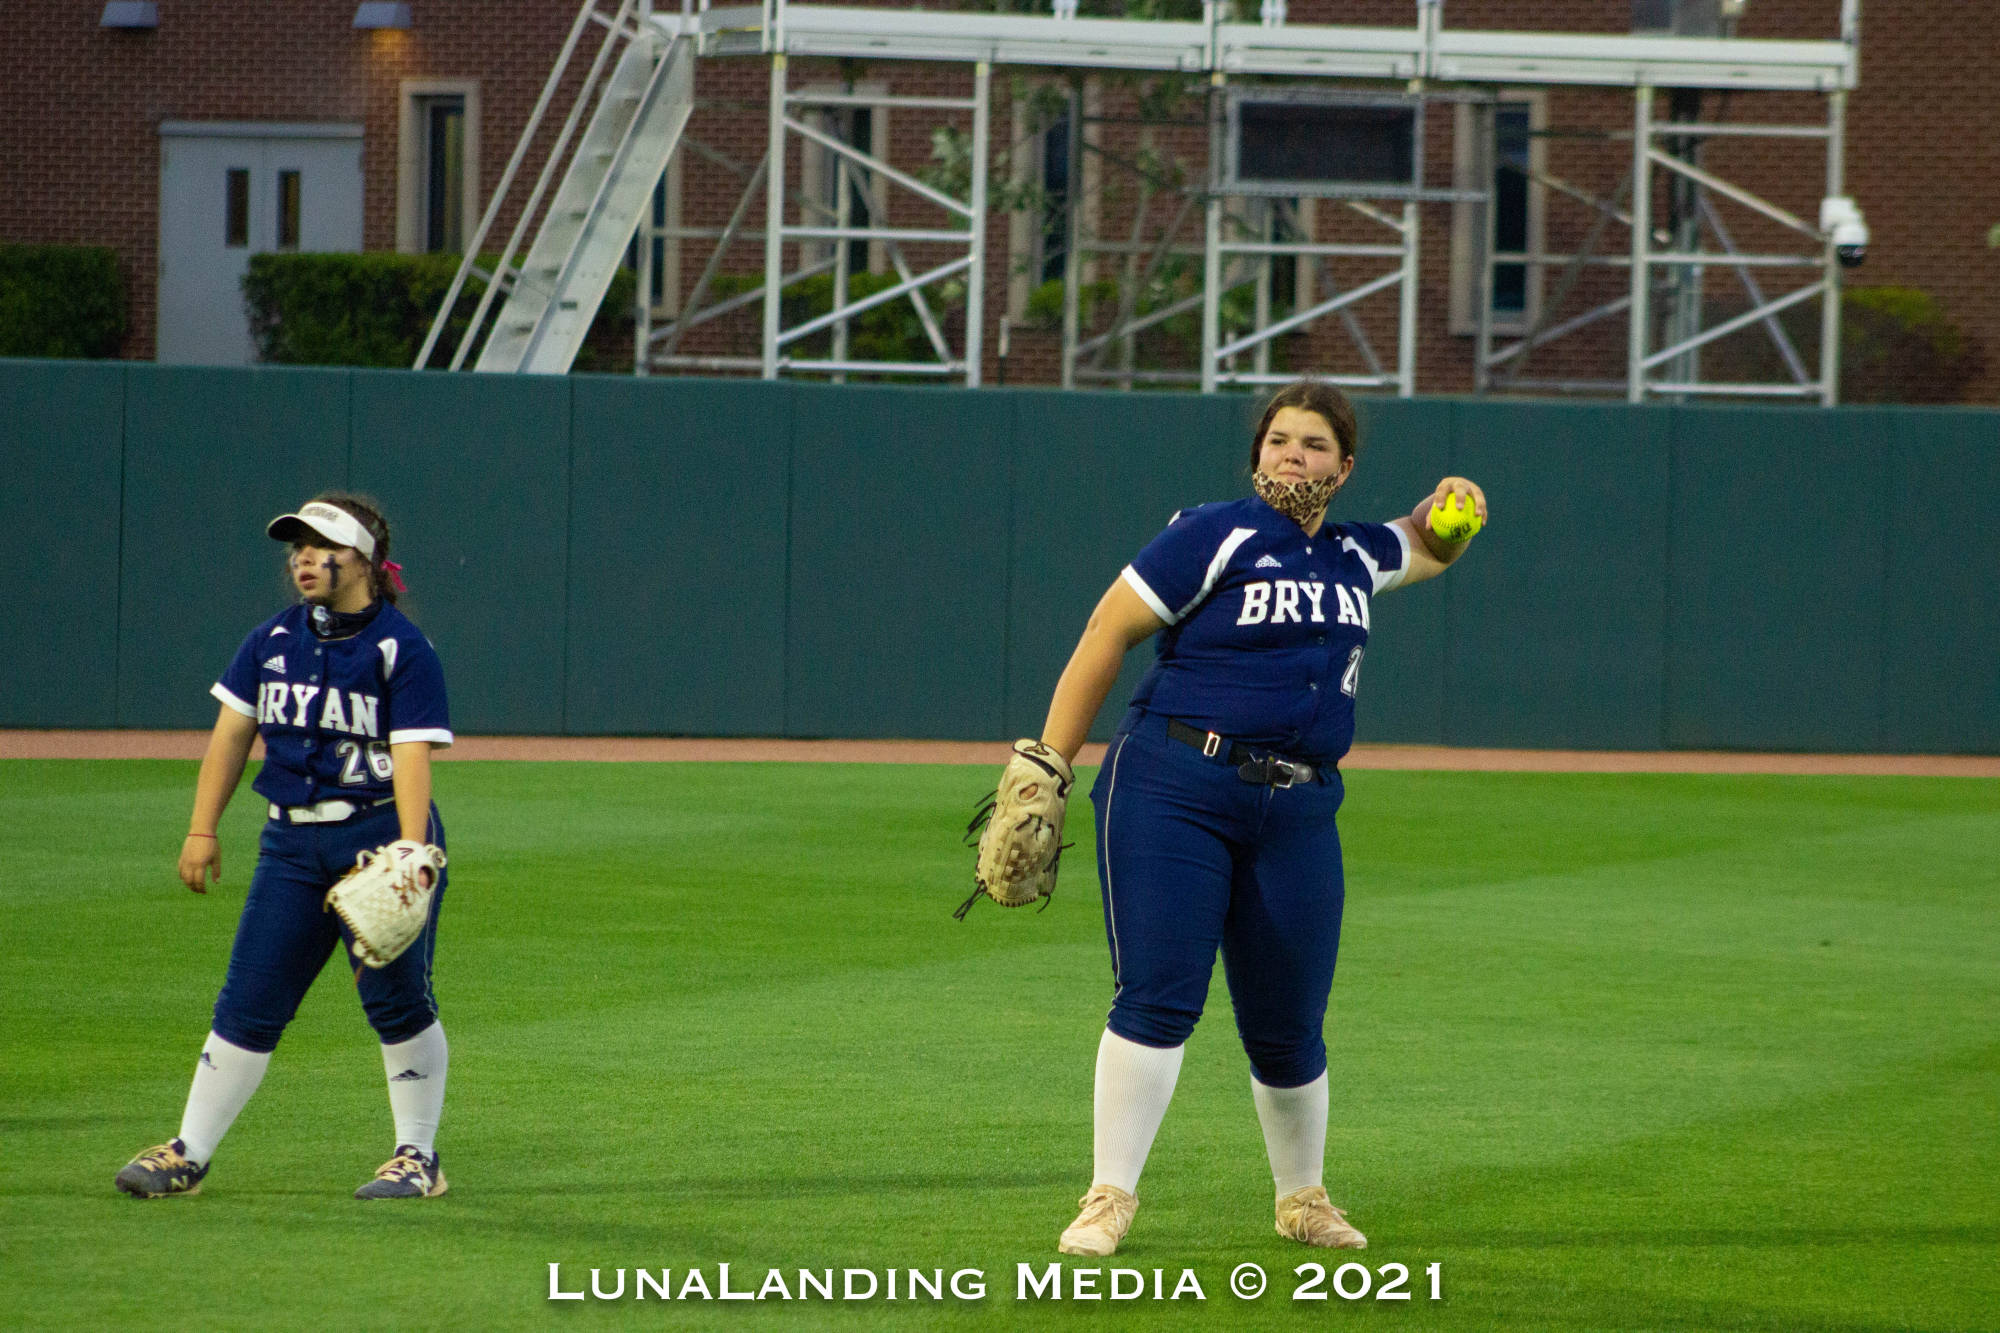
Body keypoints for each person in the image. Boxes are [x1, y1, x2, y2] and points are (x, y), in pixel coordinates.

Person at [1034, 379, 1488, 1256]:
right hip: (1175, 784)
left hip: (1299, 807)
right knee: (1158, 994)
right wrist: (1049, 764)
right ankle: (1108, 1197)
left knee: (1289, 1020)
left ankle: (1302, 1198)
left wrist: (1456, 508)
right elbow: (1104, 630)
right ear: (1257, 454)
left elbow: (1428, 543)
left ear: (1343, 468)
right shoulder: (1214, 533)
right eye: (1279, 439)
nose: (1292, 455)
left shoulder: (1357, 553)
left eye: (1314, 444)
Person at [114, 494, 456, 1201]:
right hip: (290, 847)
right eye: (297, 546)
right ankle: (189, 1152)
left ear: (363, 560)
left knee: (396, 1001)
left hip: (375, 838)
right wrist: (202, 828)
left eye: (321, 546)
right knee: (249, 999)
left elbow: (411, 753)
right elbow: (231, 735)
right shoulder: (270, 640)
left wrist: (410, 851)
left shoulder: (400, 648)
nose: (303, 558)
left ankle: (418, 1157)